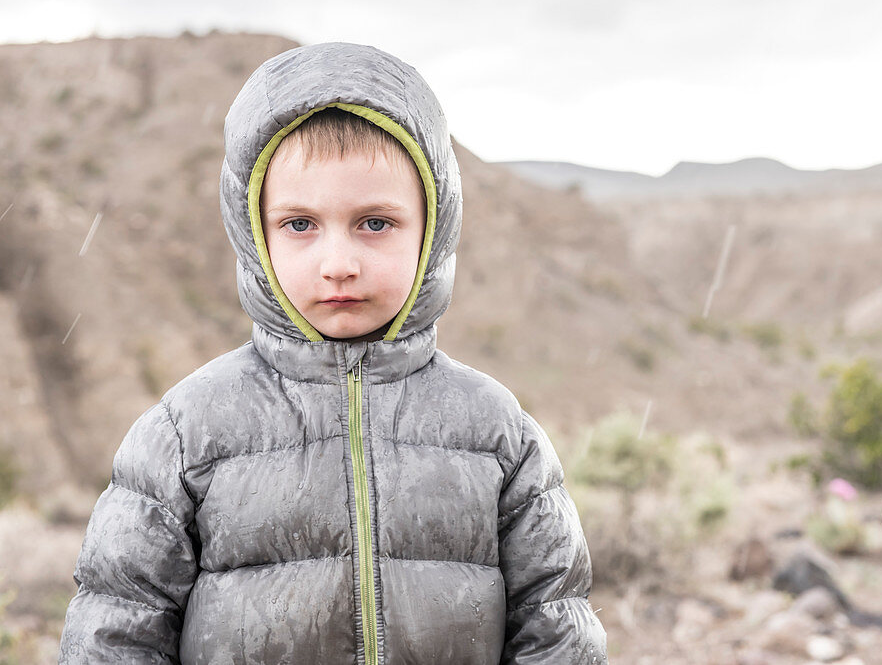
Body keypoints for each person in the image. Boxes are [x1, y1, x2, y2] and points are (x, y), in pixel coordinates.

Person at [58, 42, 608, 664]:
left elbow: (557, 635)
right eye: (300, 225)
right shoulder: (183, 434)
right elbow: (115, 635)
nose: (339, 265)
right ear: (253, 234)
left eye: (375, 223)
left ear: (433, 229)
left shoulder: (498, 432)